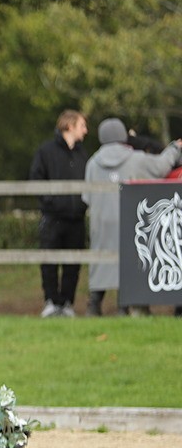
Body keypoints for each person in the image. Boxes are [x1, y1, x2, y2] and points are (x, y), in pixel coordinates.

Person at [82, 117, 182, 315]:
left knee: (101, 260)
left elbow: (87, 197)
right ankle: (123, 308)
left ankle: (93, 306)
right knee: (129, 259)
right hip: (128, 219)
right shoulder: (134, 158)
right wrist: (173, 148)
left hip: (101, 222)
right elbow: (161, 166)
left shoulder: (92, 163)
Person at [29, 109, 90, 317]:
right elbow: (36, 180)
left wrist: (82, 204)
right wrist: (51, 204)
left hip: (77, 218)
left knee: (73, 264)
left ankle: (67, 304)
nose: (85, 131)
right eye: (82, 125)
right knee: (49, 261)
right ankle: (51, 302)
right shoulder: (46, 151)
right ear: (70, 126)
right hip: (53, 218)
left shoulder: (83, 154)